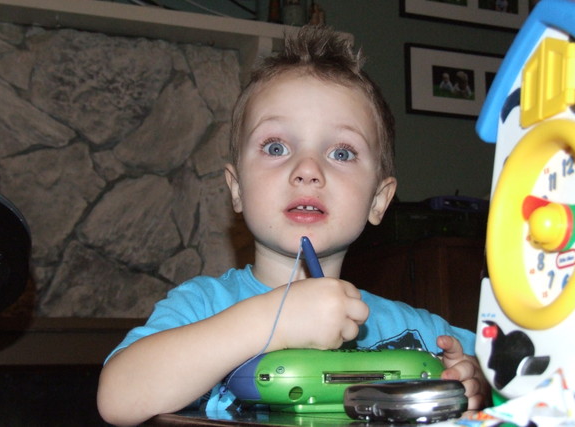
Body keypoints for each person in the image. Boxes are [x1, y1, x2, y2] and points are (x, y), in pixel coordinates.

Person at [97, 25, 489, 426]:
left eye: (341, 152)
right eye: (276, 147)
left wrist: (474, 380)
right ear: (237, 189)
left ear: (378, 200)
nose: (307, 169)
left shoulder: (419, 334)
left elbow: (516, 372)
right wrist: (274, 320)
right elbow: (118, 398)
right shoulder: (202, 307)